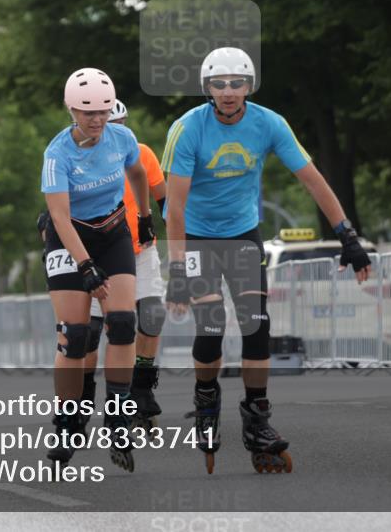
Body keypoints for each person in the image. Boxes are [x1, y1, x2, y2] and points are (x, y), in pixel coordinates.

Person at [161, 47, 372, 474]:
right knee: (212, 325)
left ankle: (257, 419)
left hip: (241, 233)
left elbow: (312, 180)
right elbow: (177, 207)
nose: (228, 92)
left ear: (249, 86)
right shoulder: (187, 130)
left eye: (237, 84)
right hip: (197, 235)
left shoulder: (269, 123)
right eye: (219, 85)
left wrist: (347, 236)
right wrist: (178, 270)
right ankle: (206, 399)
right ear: (207, 90)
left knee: (256, 323)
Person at [40, 68, 154, 473]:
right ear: (71, 110)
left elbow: (138, 172)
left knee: (123, 323)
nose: (98, 120)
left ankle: (119, 414)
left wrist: (143, 214)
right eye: (88, 113)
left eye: (105, 111)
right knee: (75, 337)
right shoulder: (57, 155)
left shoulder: (122, 138)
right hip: (68, 237)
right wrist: (85, 266)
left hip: (113, 231)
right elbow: (59, 216)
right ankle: (68, 422)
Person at [78, 99, 168, 430]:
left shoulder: (142, 153)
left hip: (140, 250)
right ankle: (84, 396)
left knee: (152, 314)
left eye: (122, 125)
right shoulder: (80, 158)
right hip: (98, 252)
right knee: (89, 333)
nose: (118, 132)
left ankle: (141, 389)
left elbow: (164, 198)